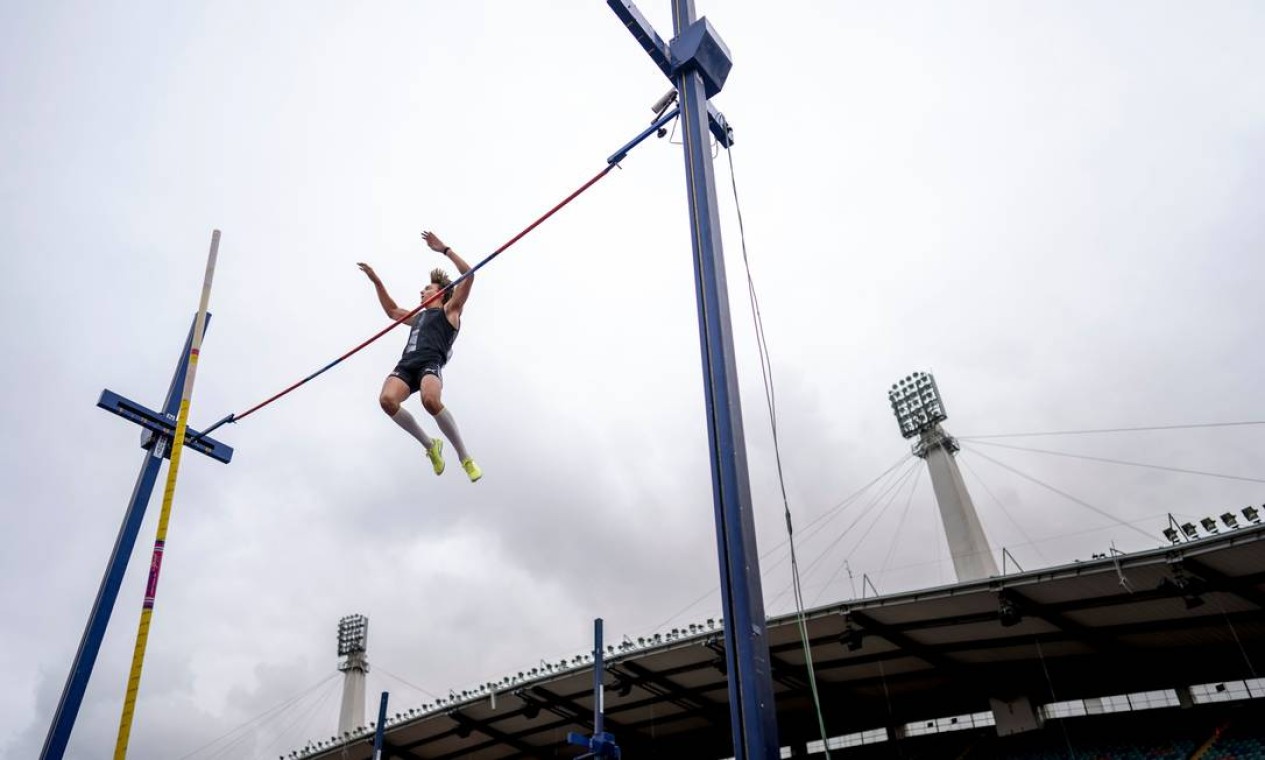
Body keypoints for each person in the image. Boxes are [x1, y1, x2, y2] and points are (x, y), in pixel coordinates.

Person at [357, 230, 482, 482]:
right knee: (387, 401)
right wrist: (376, 281)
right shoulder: (418, 317)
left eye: (427, 288)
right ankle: (430, 445)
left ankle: (464, 457)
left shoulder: (450, 310)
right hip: (406, 365)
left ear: (441, 293)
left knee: (430, 401)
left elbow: (469, 274)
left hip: (429, 363)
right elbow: (392, 311)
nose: (422, 292)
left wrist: (444, 249)